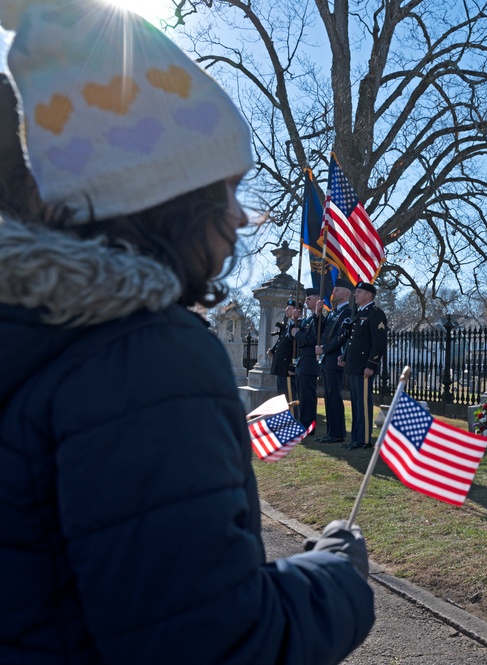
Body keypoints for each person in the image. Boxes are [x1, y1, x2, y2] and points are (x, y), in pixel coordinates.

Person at [0, 1, 374, 662]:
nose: (239, 216)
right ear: (169, 198)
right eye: (223, 186)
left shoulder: (35, 327)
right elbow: (217, 643)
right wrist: (337, 576)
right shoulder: (146, 355)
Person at [343, 282, 388, 450]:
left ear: (369, 295)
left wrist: (371, 364)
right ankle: (355, 438)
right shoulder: (360, 313)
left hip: (364, 368)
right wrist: (345, 357)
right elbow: (354, 340)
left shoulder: (375, 313)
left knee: (363, 403)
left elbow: (379, 342)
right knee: (355, 403)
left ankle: (364, 439)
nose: (355, 295)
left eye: (359, 292)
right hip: (355, 367)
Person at [317, 278, 354, 444]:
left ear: (346, 292)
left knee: (334, 396)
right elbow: (322, 329)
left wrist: (324, 349)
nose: (334, 292)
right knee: (328, 396)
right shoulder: (333, 312)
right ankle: (331, 432)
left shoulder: (347, 312)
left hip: (334, 358)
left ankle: (337, 433)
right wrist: (318, 313)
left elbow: (341, 337)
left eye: (337, 290)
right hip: (327, 360)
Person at [292, 288, 323, 431]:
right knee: (302, 396)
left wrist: (298, 335)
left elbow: (313, 339)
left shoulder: (319, 318)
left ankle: (308, 425)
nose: (306, 300)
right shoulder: (307, 319)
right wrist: (295, 320)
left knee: (308, 396)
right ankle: (303, 422)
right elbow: (294, 334)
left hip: (310, 360)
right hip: (303, 360)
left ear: (317, 300)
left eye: (309, 298)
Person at [268, 298, 302, 398]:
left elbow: (296, 347)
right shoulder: (289, 325)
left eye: (289, 308)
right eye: (286, 308)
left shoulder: (298, 325)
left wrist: (293, 366)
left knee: (289, 397)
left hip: (288, 368)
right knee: (282, 397)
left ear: (297, 311)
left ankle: (292, 414)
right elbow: (283, 342)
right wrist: (274, 351)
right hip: (281, 367)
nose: (286, 310)